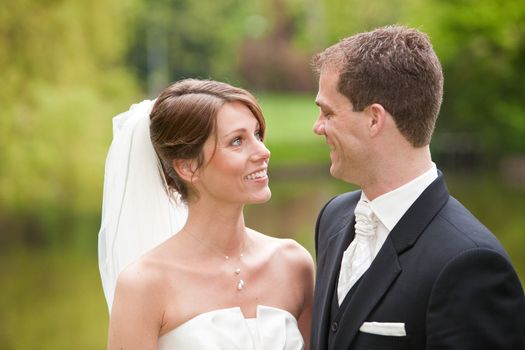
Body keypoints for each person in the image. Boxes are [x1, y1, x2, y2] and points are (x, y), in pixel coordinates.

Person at [310, 25, 525, 350]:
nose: (318, 127)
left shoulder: (471, 264)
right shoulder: (333, 218)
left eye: (327, 112)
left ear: (374, 119)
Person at [99, 79, 314, 349]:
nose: (263, 151)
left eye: (257, 135)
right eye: (237, 141)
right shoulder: (143, 285)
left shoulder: (294, 264)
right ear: (188, 167)